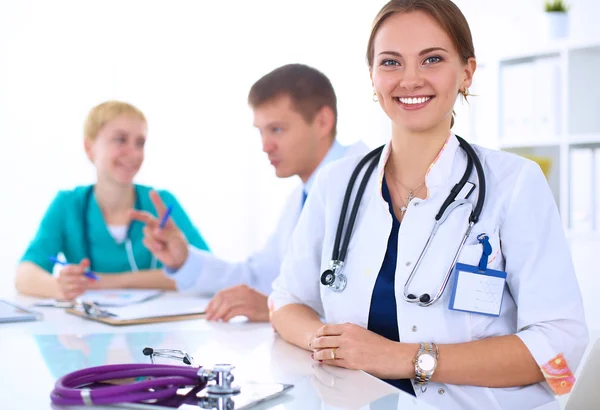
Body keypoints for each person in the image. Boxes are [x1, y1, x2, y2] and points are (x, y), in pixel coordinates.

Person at [268, 2, 588, 410]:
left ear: (467, 72)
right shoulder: (337, 184)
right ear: (372, 77)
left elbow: (560, 344)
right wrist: (331, 343)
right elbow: (286, 300)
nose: (410, 79)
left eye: (432, 59)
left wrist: (402, 357)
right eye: (390, 62)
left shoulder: (516, 183)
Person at [132, 64, 368, 322]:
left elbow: (371, 309)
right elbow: (260, 277)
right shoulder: (302, 196)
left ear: (323, 122)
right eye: (261, 131)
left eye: (277, 129)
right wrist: (184, 260)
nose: (265, 146)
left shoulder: (368, 184)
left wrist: (275, 310)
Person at [15, 101, 209, 301]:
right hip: (88, 329)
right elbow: (25, 274)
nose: (133, 153)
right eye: (120, 139)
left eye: (140, 143)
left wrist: (105, 281)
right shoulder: (68, 205)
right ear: (89, 148)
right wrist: (60, 287)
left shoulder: (161, 203)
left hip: (156, 327)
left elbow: (205, 272)